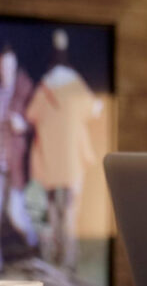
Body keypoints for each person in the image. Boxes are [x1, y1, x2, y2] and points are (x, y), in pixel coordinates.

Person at [26, 29, 102, 270]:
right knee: (70, 209)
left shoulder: (44, 86)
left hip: (50, 160)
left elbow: (30, 115)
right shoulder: (75, 83)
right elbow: (93, 108)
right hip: (71, 162)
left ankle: (55, 256)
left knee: (52, 209)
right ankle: (67, 260)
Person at [0, 45, 39, 274]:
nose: (6, 70)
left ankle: (34, 244)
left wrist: (23, 126)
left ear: (15, 66)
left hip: (15, 167)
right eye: (2, 66)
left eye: (10, 65)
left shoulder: (24, 91)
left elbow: (35, 124)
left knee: (16, 215)